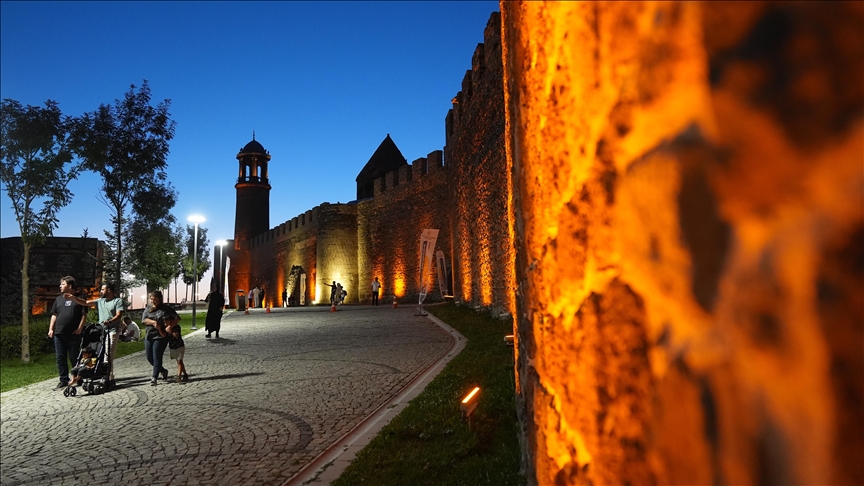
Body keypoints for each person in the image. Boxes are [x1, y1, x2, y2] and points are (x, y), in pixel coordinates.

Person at [67, 282, 124, 381]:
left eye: (102, 289)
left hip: (112, 330)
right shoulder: (100, 301)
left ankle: (109, 375)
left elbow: (119, 315)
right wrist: (73, 298)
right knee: (99, 352)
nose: (101, 291)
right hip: (101, 331)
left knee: (108, 353)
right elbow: (85, 303)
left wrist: (110, 321)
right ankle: (101, 372)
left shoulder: (117, 301)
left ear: (109, 290)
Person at [48, 276, 87, 389]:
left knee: (74, 356)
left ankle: (78, 377)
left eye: (62, 284)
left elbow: (84, 314)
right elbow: (54, 314)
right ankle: (63, 379)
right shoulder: (59, 299)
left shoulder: (80, 298)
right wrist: (51, 329)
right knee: (60, 357)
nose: (60, 286)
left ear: (70, 286)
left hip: (74, 333)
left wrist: (80, 328)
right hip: (59, 333)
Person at [141, 290, 180, 386]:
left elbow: (177, 318)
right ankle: (163, 370)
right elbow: (144, 320)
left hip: (161, 335)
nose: (153, 301)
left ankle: (154, 377)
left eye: (155, 299)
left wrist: (169, 327)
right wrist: (153, 322)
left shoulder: (166, 309)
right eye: (151, 299)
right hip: (149, 335)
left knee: (157, 355)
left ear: (160, 299)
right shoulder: (148, 308)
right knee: (149, 357)